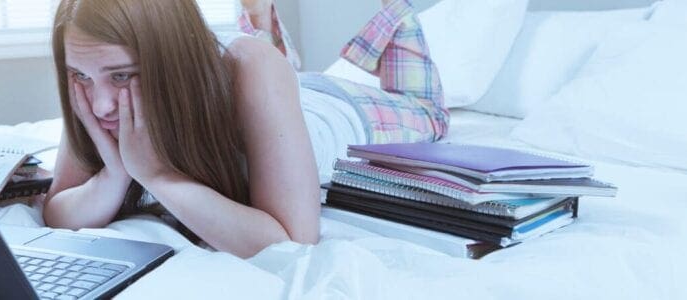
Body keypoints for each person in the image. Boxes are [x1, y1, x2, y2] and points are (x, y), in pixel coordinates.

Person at [43, 0, 449, 258]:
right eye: (79, 74)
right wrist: (115, 174)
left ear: (168, 60)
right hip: (273, 98)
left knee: (429, 115)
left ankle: (396, 16)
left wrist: (156, 175)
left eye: (121, 76)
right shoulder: (96, 86)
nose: (99, 106)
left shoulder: (249, 66)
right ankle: (265, 25)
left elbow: (292, 241)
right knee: (268, 72)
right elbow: (58, 209)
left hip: (337, 110)